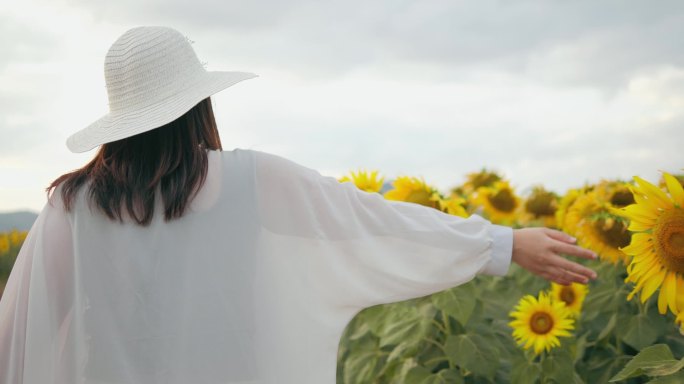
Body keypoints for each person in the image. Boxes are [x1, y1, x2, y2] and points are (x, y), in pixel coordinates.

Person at [0, 26, 597, 384]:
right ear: (199, 106)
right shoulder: (250, 179)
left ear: (122, 119)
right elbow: (370, 221)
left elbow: (26, 330)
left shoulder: (72, 207)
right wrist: (503, 242)